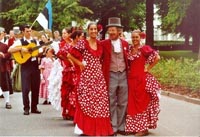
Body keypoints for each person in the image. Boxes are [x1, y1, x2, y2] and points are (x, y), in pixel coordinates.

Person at [67, 22, 113, 136]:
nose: (93, 31)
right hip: (87, 77)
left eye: (95, 29)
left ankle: (100, 129)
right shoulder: (83, 43)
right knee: (86, 102)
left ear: (97, 31)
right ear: (88, 31)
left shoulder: (100, 44)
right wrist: (80, 64)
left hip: (98, 77)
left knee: (100, 103)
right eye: (91, 29)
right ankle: (85, 129)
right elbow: (69, 55)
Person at [125, 30, 161, 136]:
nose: (135, 39)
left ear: (140, 38)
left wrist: (148, 68)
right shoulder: (130, 49)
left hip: (141, 79)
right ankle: (134, 127)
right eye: (133, 37)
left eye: (136, 37)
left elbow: (157, 57)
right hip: (131, 79)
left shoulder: (144, 48)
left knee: (141, 103)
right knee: (132, 104)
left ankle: (143, 129)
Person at [101, 17, 129, 135]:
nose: (111, 32)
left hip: (123, 74)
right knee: (111, 101)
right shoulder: (103, 44)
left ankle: (122, 126)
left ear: (119, 31)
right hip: (111, 74)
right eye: (110, 30)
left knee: (123, 102)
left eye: (113, 30)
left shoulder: (126, 44)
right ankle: (113, 127)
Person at [8, 24, 41, 115]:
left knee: (35, 87)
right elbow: (10, 50)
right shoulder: (20, 42)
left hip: (34, 66)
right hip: (26, 66)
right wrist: (21, 48)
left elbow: (39, 52)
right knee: (26, 88)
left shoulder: (35, 41)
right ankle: (26, 107)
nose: (29, 33)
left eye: (30, 31)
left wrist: (43, 51)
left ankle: (34, 107)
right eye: (27, 31)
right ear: (23, 32)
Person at [0, 30, 13, 109]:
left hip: (2, 68)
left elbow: (9, 55)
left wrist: (3, 55)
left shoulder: (4, 46)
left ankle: (7, 101)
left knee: (5, 85)